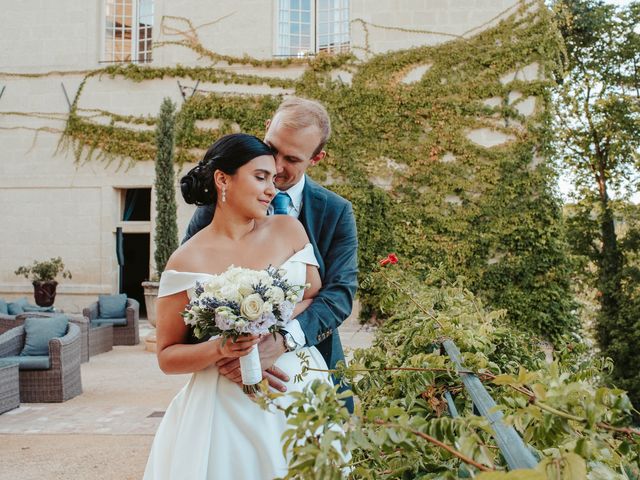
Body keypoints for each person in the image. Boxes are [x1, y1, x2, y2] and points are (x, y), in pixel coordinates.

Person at [143, 133, 341, 479]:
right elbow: (167, 355)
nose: (272, 189)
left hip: (298, 384)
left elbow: (313, 296)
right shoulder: (185, 259)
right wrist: (223, 348)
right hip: (224, 404)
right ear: (223, 179)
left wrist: (268, 326)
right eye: (260, 177)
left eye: (273, 178)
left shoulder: (288, 230)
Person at [183, 98, 358, 411]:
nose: (276, 166)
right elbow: (189, 289)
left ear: (317, 158)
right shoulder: (216, 206)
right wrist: (223, 353)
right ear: (266, 128)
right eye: (271, 147)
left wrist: (283, 341)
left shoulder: (336, 212)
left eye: (291, 158)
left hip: (312, 375)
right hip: (227, 385)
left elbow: (339, 296)